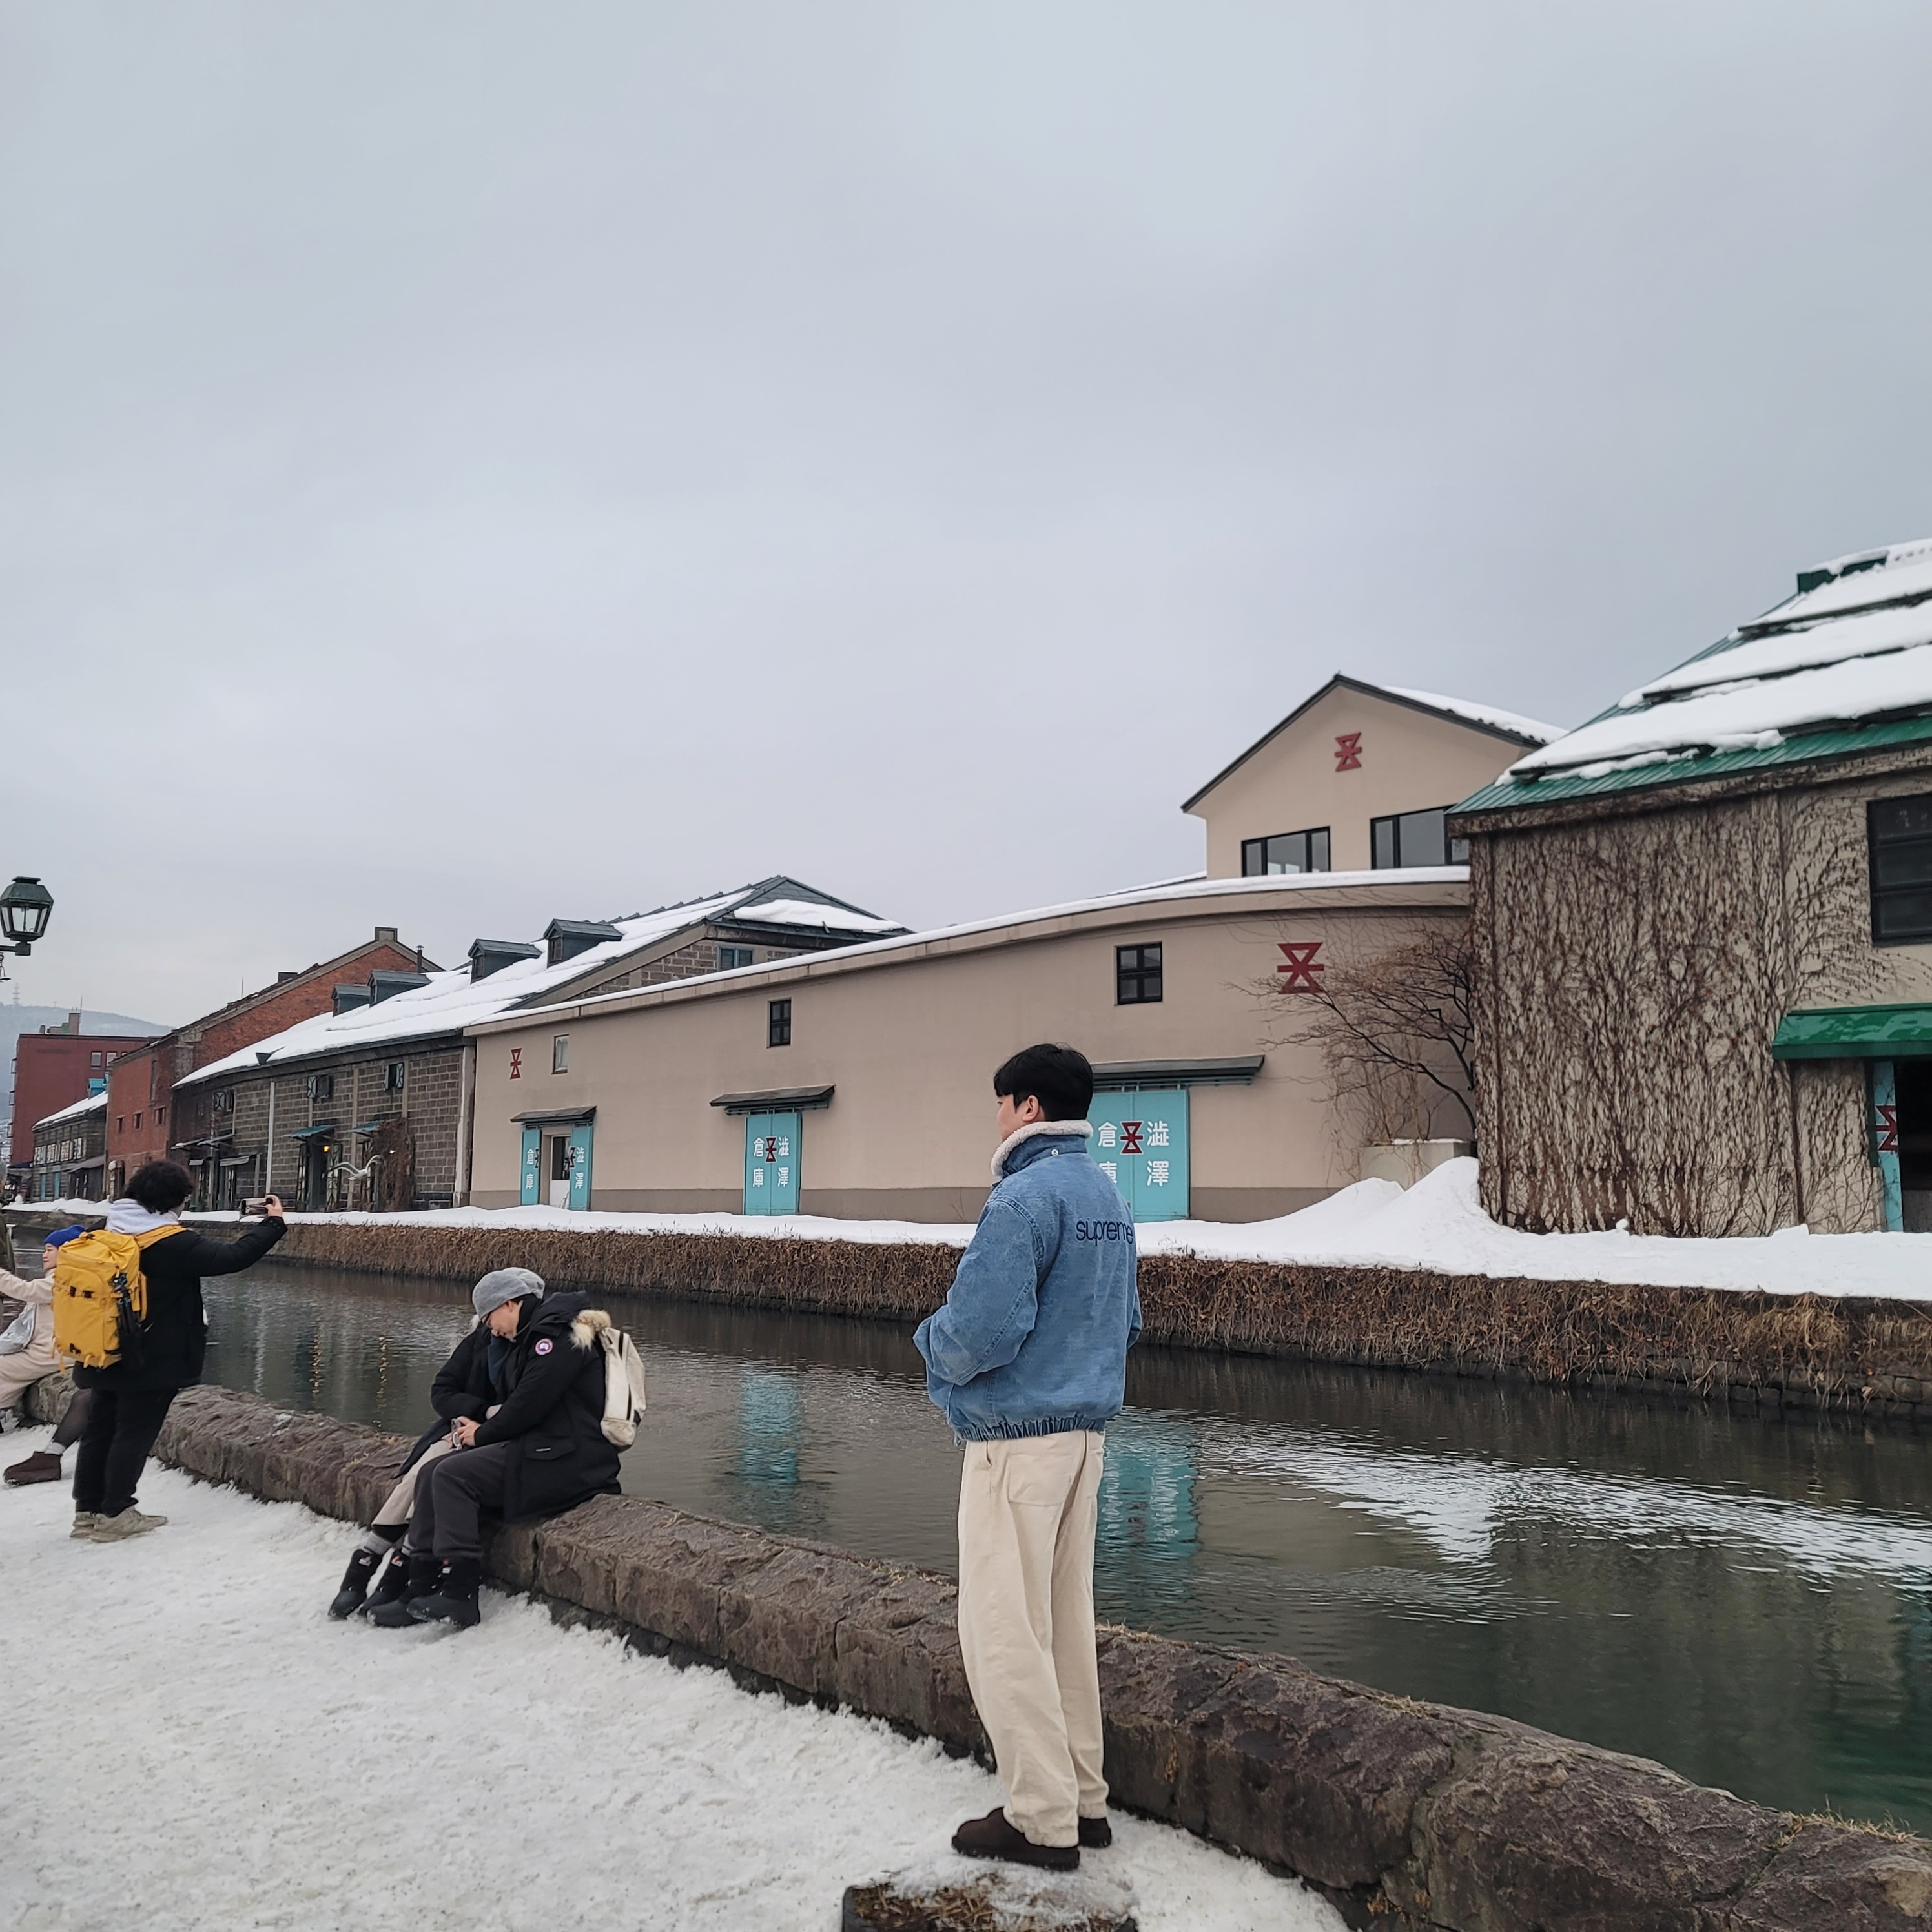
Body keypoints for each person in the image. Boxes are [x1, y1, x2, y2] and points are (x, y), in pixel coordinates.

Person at [914, 1043, 1142, 1873]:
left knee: (1005, 1630)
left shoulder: (1021, 1199)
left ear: (1028, 1109)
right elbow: (1127, 1322)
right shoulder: (1105, 1196)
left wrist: (928, 1345)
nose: (998, 1118)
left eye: (1001, 1104)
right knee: (1064, 1623)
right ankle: (1084, 1798)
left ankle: (1041, 1818)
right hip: (1085, 1438)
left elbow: (977, 1332)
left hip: (1016, 1444)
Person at [369, 1280, 622, 1630]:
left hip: (570, 1458)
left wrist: (482, 1433)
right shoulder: (530, 1334)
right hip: (540, 1447)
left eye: (489, 1318)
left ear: (510, 1304)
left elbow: (529, 1404)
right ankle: (419, 1585)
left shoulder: (558, 1337)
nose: (490, 1328)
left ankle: (460, 1593)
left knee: (451, 1475)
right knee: (431, 1473)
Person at [70, 1162, 287, 1543]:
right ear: (173, 1201)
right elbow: (231, 1259)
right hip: (150, 1356)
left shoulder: (104, 1230)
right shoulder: (171, 1241)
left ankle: (87, 1512)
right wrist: (272, 1224)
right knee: (133, 1432)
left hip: (99, 1347)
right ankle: (117, 1512)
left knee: (99, 1427)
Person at [327, 1266, 545, 1618]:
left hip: (497, 1438)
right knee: (418, 1476)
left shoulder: (533, 1347)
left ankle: (400, 1574)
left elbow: (523, 1408)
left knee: (434, 1475)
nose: (496, 1327)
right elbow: (442, 1390)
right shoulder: (481, 1340)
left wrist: (488, 1422)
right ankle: (364, 1566)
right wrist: (480, 1411)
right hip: (465, 1429)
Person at [0, 1226, 95, 1485]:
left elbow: (25, 1291)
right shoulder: (71, 1276)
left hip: (53, 1353)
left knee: (3, 1368)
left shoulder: (63, 1279)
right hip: (51, 1350)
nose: (44, 1255)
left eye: (50, 1250)